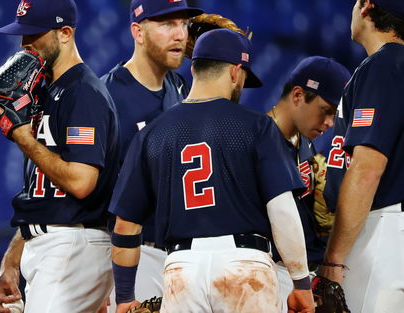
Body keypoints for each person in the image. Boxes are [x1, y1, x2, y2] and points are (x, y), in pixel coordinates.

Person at [109, 29, 315, 313]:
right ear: (235, 72)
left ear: (194, 69)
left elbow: (125, 227)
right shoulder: (258, 126)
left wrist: (124, 297)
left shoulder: (152, 134)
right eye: (243, 78)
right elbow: (282, 210)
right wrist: (301, 284)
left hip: (183, 269)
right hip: (244, 266)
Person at [0, 0, 120, 313]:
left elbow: (80, 182)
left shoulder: (82, 94)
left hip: (73, 246)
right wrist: (13, 257)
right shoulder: (48, 92)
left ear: (65, 33)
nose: (24, 45)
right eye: (21, 35)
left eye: (34, 34)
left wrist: (24, 138)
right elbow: (45, 194)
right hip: (52, 244)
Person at [100, 0, 202, 306]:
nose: (180, 34)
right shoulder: (105, 97)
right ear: (138, 32)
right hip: (128, 254)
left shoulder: (179, 87)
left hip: (177, 253)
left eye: (184, 24)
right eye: (167, 23)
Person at [322, 0, 404, 311]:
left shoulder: (384, 66)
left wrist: (334, 260)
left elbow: (368, 169)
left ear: (367, 5)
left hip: (384, 230)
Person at [265, 56, 350, 312]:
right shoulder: (260, 140)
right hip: (275, 275)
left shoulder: (304, 143)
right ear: (299, 95)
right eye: (325, 111)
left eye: (335, 115)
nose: (329, 124)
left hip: (303, 274)